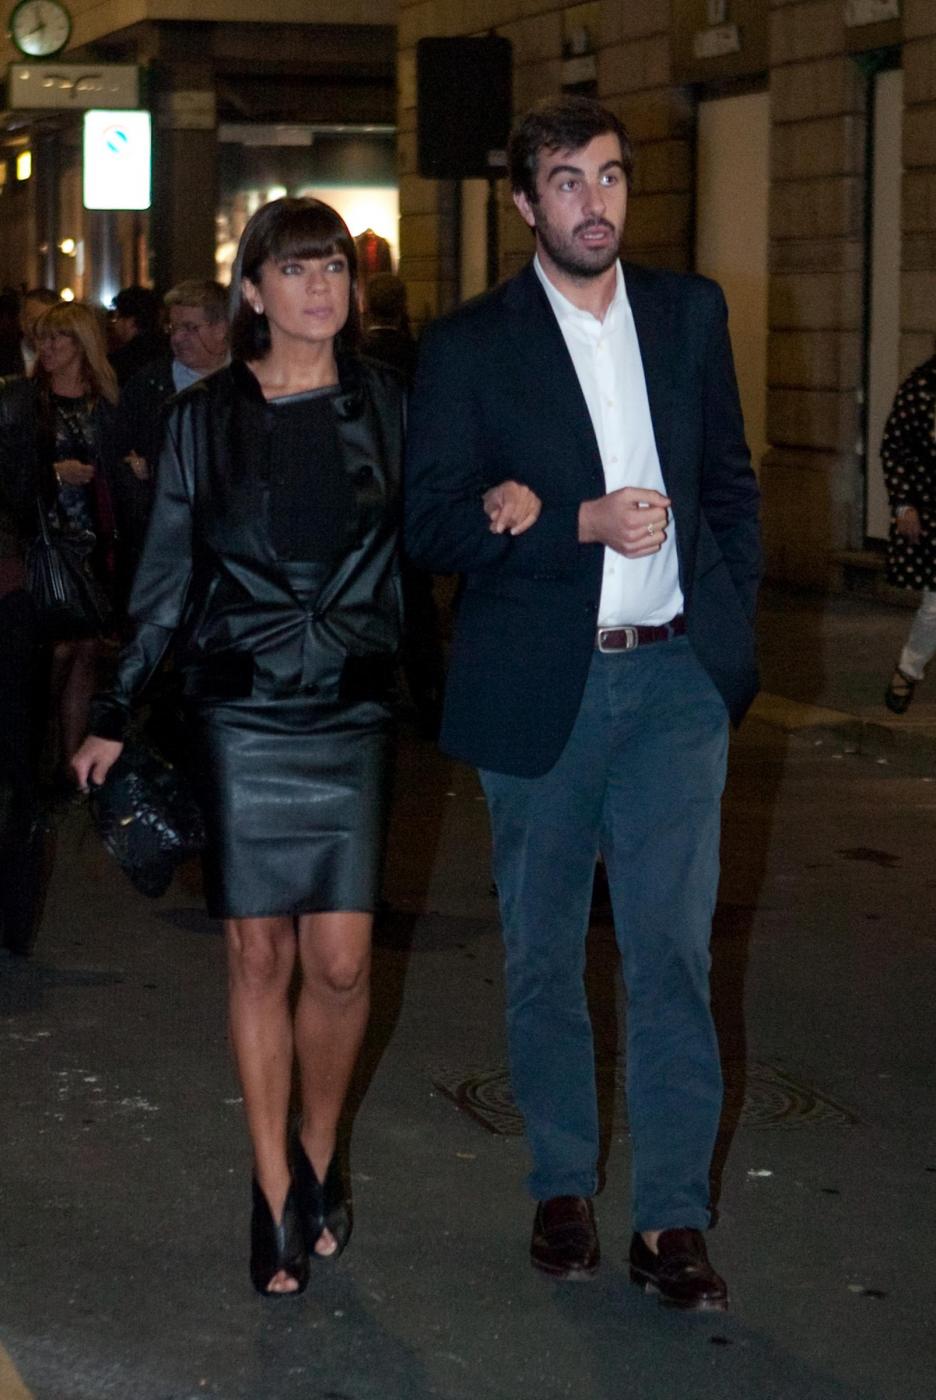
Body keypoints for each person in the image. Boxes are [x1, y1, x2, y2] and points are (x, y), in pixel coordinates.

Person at [405, 96, 761, 1310]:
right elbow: (431, 523)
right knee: (545, 951)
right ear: (525, 202)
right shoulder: (472, 345)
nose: (594, 201)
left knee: (671, 952)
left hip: (673, 682)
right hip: (540, 686)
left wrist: (725, 638)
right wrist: (574, 522)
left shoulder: (689, 312)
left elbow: (729, 483)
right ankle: (562, 1183)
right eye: (567, 181)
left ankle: (671, 1218)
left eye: (609, 176)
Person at [73, 197, 405, 1298]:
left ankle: (318, 1146)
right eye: (294, 269)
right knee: (259, 956)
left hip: (350, 708)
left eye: (334, 267)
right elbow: (166, 576)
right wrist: (114, 707)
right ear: (253, 291)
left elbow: (438, 523)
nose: (319, 287)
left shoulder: (388, 402)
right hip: (242, 709)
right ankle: (272, 1187)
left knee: (342, 962)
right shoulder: (201, 418)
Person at [0, 302, 118, 788]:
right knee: (54, 650)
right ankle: (35, 752)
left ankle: (73, 765)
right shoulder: (21, 400)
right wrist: (52, 474)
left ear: (82, 344)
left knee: (87, 650)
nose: (45, 348)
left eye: (57, 338)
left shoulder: (106, 401)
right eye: (41, 338)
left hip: (95, 541)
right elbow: (7, 475)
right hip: (42, 541)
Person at [107, 279, 230, 594]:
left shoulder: (252, 384)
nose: (177, 338)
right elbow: (116, 455)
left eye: (190, 328)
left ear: (221, 328)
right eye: (173, 328)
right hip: (165, 551)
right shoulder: (147, 386)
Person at [881, 351, 936, 713]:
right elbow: (895, 447)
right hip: (932, 504)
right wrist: (904, 504)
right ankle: (909, 667)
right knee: (935, 604)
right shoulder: (921, 388)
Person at [108, 286, 168, 386]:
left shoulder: (121, 361)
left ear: (130, 322)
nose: (114, 324)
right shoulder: (169, 352)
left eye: (116, 318)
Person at [18, 288, 60, 376]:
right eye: (34, 320)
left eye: (47, 321)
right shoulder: (4, 354)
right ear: (22, 320)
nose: (40, 326)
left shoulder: (65, 357)